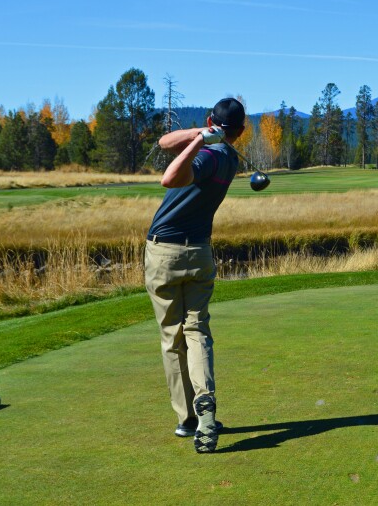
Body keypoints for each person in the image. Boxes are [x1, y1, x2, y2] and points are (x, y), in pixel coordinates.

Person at [145, 97, 246, 453]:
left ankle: (188, 418)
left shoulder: (208, 156)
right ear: (241, 132)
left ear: (210, 121)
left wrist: (202, 140)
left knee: (173, 337)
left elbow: (168, 177)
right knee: (197, 331)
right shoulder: (230, 158)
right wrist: (206, 134)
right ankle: (206, 409)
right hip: (200, 252)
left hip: (164, 253)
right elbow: (163, 142)